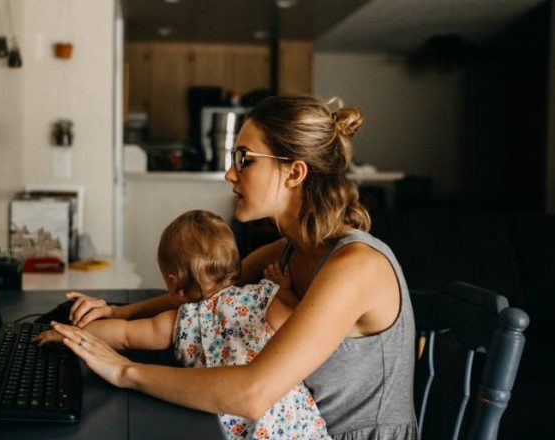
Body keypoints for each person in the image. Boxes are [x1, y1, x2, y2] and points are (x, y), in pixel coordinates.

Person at [48, 95, 417, 439]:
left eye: (244, 158)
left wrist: (123, 371)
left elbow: (253, 392)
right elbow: (210, 292)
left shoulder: (356, 266)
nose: (229, 173)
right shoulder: (288, 251)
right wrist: (118, 313)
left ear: (294, 173)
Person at [35, 210, 330, 439]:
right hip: (295, 424)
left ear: (174, 284)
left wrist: (70, 334)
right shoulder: (267, 297)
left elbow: (122, 336)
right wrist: (285, 288)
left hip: (227, 427)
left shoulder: (182, 320)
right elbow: (294, 322)